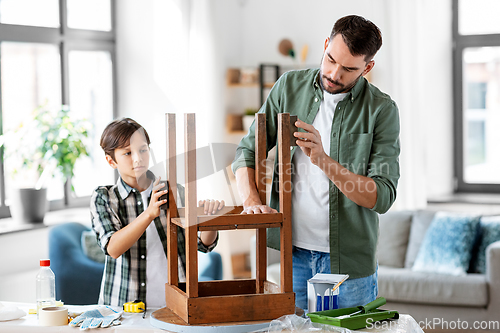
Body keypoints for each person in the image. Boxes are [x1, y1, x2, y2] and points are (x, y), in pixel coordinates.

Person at [231, 15, 400, 311]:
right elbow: (248, 150)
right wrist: (250, 199)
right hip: (291, 254)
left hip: (348, 266)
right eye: (330, 59)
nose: (334, 73)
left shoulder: (381, 110)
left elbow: (382, 196)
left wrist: (323, 160)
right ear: (325, 45)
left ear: (367, 68)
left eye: (348, 69)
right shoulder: (288, 87)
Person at [91, 118, 224, 307]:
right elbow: (113, 248)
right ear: (111, 160)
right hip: (123, 309)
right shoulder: (104, 197)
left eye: (143, 150)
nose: (138, 158)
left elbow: (202, 245)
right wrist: (149, 213)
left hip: (175, 305)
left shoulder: (174, 191)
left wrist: (210, 221)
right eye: (128, 153)